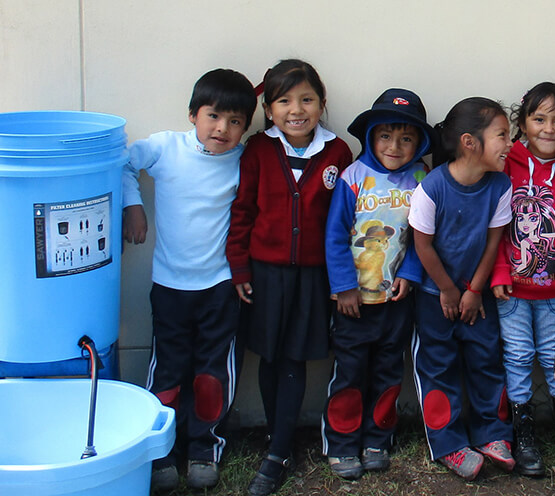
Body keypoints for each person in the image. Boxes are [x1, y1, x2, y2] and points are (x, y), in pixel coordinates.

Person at [121, 68, 258, 491]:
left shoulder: (244, 161)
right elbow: (124, 164)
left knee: (211, 372)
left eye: (236, 122)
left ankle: (205, 448)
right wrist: (134, 206)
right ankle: (160, 453)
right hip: (170, 286)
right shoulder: (166, 148)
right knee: (167, 370)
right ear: (193, 115)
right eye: (214, 116)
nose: (222, 129)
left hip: (220, 287)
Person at [225, 59, 352, 496]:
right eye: (284, 100)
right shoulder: (259, 149)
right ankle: (274, 434)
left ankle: (280, 449)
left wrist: (341, 278)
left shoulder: (338, 152)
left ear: (321, 103)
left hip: (313, 277)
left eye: (306, 99)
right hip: (265, 273)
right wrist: (240, 267)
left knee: (295, 356)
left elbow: (342, 222)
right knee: (268, 354)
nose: (296, 109)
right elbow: (241, 212)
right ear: (269, 108)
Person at [322, 88, 436, 480]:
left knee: (389, 370)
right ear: (370, 136)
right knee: (350, 371)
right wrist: (343, 286)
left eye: (406, 138)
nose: (395, 146)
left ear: (419, 142)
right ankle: (341, 443)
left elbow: (425, 235)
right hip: (354, 302)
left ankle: (376, 439)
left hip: (396, 300)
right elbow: (335, 236)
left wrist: (410, 273)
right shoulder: (353, 177)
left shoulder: (423, 178)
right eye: (385, 136)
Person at [490, 82, 555, 477]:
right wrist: (500, 270)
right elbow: (495, 226)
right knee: (517, 356)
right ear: (523, 123)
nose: (548, 129)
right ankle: (524, 430)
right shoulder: (506, 164)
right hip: (512, 292)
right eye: (539, 119)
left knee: (554, 358)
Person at [408, 97, 515, 480]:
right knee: (438, 365)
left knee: (486, 358)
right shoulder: (432, 187)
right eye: (502, 135)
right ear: (470, 142)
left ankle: (494, 434)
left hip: (476, 295)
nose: (510, 143)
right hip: (433, 296)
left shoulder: (500, 186)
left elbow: (493, 242)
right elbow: (422, 245)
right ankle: (448, 443)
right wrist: (449, 290)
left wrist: (473, 290)